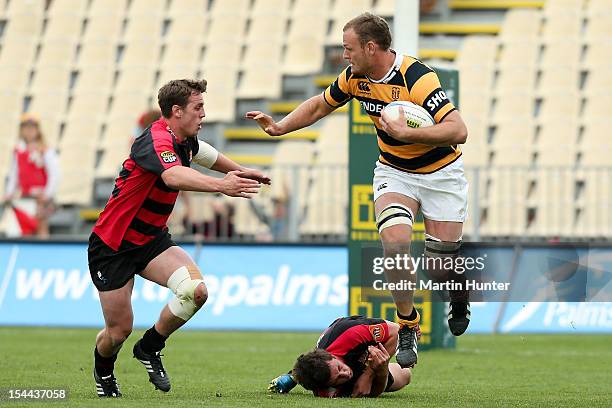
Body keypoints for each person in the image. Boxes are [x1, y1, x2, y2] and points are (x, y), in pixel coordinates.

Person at [247, 12, 470, 369]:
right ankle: (408, 323)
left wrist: (409, 134)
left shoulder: (418, 77)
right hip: (395, 172)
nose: (344, 55)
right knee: (395, 242)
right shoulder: (354, 78)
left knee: (441, 266)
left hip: (442, 174)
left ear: (370, 47)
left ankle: (458, 293)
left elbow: (458, 130)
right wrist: (280, 127)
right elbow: (320, 104)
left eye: (349, 48)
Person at [89, 79, 270, 398]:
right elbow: (172, 176)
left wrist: (240, 170)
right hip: (114, 244)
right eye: (197, 107)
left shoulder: (185, 139)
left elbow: (204, 154)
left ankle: (149, 347)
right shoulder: (157, 139)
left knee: (195, 291)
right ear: (176, 111)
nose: (203, 113)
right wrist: (221, 186)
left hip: (151, 240)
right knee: (118, 332)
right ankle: (104, 372)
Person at [268, 315, 413, 398]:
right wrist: (380, 373)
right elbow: (370, 392)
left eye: (339, 368)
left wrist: (369, 373)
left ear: (331, 357)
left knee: (406, 374)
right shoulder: (325, 391)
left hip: (358, 339)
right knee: (403, 376)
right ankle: (294, 376)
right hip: (341, 364)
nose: (346, 373)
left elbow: (396, 330)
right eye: (338, 378)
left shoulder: (349, 335)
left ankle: (292, 376)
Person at [3, 113, 60, 238]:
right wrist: (9, 193)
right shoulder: (18, 150)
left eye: (32, 127)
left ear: (38, 130)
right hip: (24, 198)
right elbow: (14, 174)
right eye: (26, 127)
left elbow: (54, 174)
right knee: (25, 231)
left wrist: (48, 194)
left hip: (40, 199)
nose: (29, 131)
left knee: (41, 230)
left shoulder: (45, 150)